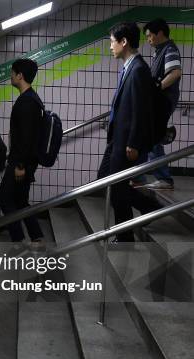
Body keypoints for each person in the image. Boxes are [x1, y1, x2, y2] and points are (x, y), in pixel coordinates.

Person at [98, 22, 162, 242]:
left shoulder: (139, 70)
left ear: (123, 42)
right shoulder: (129, 67)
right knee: (105, 180)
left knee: (117, 189)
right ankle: (149, 206)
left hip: (126, 142)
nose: (110, 47)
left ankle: (124, 237)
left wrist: (133, 143)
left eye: (112, 42)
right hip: (116, 140)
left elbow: (141, 111)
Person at [0, 59, 44, 249]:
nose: (10, 76)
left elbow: (26, 138)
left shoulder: (27, 102)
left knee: (4, 199)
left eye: (12, 72)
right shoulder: (32, 98)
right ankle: (37, 238)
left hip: (20, 162)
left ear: (20, 75)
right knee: (20, 200)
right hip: (24, 161)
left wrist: (20, 166)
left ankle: (19, 243)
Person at [131, 18, 182, 190]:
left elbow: (175, 73)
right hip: (158, 101)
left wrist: (159, 86)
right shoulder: (160, 51)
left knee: (152, 138)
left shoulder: (169, 49)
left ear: (160, 33)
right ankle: (139, 176)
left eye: (149, 36)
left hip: (164, 101)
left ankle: (164, 179)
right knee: (149, 137)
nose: (148, 40)